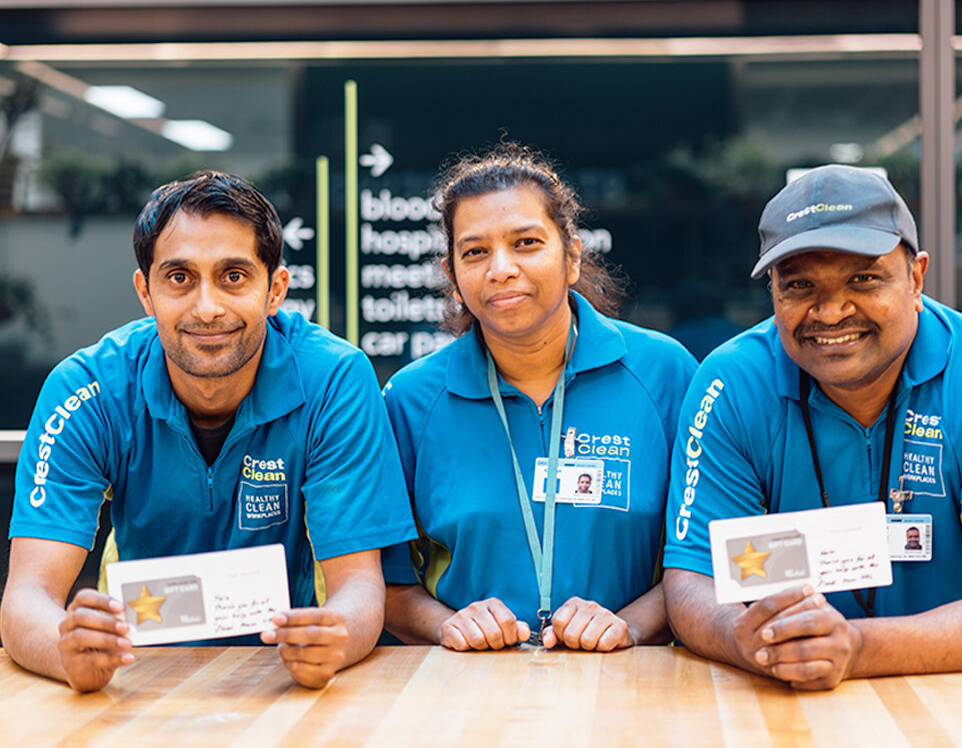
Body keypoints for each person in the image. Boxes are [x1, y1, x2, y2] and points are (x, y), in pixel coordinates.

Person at [1, 171, 417, 692]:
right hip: (131, 677)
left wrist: (336, 639)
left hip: (284, 680)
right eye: (179, 277)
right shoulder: (86, 388)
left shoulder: (333, 379)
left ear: (276, 290)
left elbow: (359, 587)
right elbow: (27, 597)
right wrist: (67, 651)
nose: (207, 307)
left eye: (233, 276)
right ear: (146, 292)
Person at [663, 164, 962, 690]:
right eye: (800, 285)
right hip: (780, 695)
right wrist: (744, 640)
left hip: (953, 691)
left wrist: (856, 647)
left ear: (916, 278)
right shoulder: (732, 383)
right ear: (773, 292)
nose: (831, 312)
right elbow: (693, 578)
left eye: (863, 279)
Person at [381, 144, 697, 652]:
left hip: (631, 679)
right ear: (453, 277)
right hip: (469, 683)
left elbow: (705, 554)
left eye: (526, 243)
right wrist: (447, 625)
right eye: (475, 252)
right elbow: (385, 581)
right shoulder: (410, 401)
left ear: (572, 256)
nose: (501, 268)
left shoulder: (666, 374)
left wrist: (631, 626)